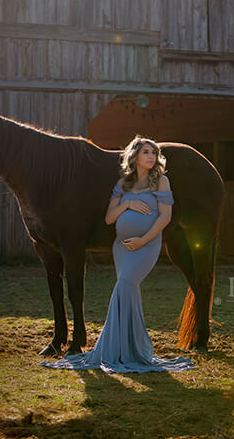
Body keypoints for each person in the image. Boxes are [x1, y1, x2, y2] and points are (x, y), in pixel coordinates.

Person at [40, 136, 195, 373]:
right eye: (146, 152)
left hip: (146, 246)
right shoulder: (123, 184)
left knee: (124, 284)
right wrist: (127, 205)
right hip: (121, 248)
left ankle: (113, 347)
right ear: (134, 157)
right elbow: (109, 218)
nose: (151, 157)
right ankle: (128, 347)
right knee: (128, 292)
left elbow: (165, 217)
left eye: (154, 153)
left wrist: (143, 239)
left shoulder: (161, 182)